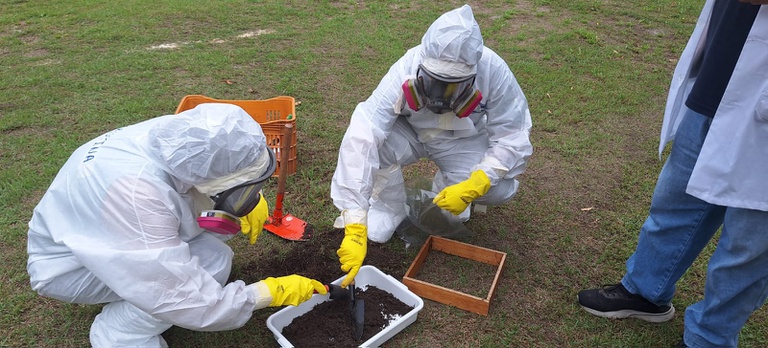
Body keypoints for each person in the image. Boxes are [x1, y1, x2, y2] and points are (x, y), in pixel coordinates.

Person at [26, 103, 328, 347]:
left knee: (216, 256)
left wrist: (246, 197)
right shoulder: (137, 198)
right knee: (194, 277)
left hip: (104, 229)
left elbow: (194, 182)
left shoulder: (175, 137)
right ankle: (120, 333)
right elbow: (192, 303)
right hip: (72, 267)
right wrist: (266, 293)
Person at [577, 0, 768, 347]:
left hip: (761, 103)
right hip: (719, 73)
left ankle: (709, 338)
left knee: (749, 243)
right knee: (675, 200)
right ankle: (646, 290)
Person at [331, 4, 533, 288]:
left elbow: (513, 133)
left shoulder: (493, 70)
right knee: (375, 149)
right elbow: (364, 133)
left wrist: (478, 181)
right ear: (422, 66)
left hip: (462, 140)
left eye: (452, 86)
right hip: (411, 132)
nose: (440, 95)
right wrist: (354, 220)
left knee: (499, 189)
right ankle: (390, 208)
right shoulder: (406, 66)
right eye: (434, 82)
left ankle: (448, 185)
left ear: (472, 75)